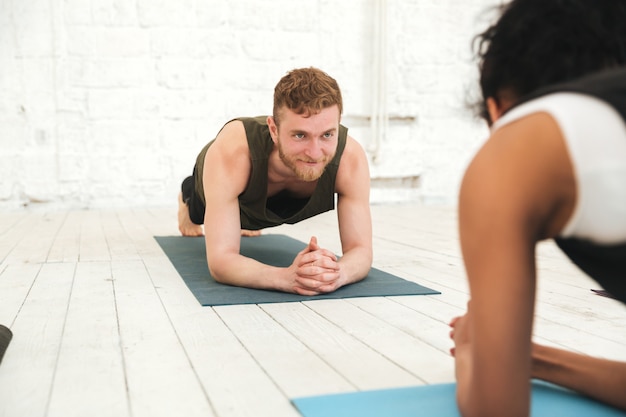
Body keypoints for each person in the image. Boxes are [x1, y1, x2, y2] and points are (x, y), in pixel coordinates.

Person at [448, 0, 626, 416]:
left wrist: (472, 355)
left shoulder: (519, 145)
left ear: (497, 108)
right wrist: (532, 359)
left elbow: (498, 409)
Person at [177, 67, 373, 296]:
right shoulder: (232, 153)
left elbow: (361, 250)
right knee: (197, 212)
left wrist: (336, 274)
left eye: (327, 135)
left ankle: (247, 221)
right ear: (274, 130)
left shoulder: (350, 159)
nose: (314, 152)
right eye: (300, 135)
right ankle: (187, 195)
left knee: (247, 221)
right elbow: (221, 262)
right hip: (220, 184)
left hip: (263, 202)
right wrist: (287, 278)